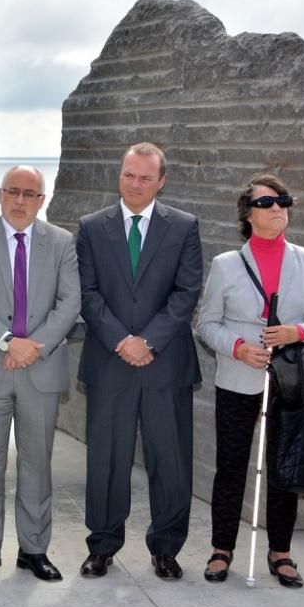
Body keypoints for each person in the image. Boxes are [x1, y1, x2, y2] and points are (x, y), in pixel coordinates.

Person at [197, 174, 304, 588]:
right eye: (266, 203)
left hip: (290, 380)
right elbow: (206, 324)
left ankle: (281, 553)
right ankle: (221, 549)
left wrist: (298, 331)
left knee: (284, 467)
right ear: (248, 213)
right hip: (238, 377)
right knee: (231, 466)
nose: (277, 208)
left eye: (283, 201)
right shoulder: (225, 265)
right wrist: (238, 347)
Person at [76, 142, 203, 581]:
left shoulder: (184, 226)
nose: (135, 184)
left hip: (165, 363)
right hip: (110, 362)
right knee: (106, 460)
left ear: (161, 181)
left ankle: (166, 549)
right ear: (120, 175)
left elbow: (187, 291)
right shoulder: (91, 227)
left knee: (170, 460)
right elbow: (87, 294)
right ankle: (102, 546)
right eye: (129, 175)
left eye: (145, 177)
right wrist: (121, 341)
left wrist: (147, 341)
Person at [0, 165, 80, 581]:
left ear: (41, 200)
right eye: (13, 192)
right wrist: (10, 342)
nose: (21, 200)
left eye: (30, 194)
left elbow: (69, 304)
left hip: (39, 370)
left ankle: (34, 549)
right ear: (0, 194)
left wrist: (31, 348)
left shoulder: (62, 243)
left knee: (36, 464)